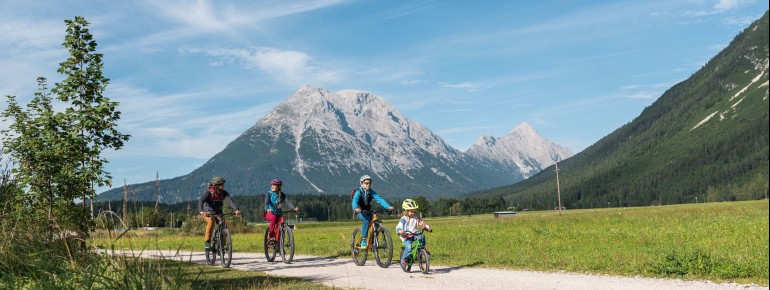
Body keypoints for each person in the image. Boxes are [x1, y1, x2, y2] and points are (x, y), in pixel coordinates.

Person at [198, 176, 241, 250]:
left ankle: (222, 245)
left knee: (223, 224)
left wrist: (236, 209)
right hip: (207, 211)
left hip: (218, 211)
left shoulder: (223, 193)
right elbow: (201, 201)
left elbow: (230, 201)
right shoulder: (208, 192)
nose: (223, 186)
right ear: (217, 186)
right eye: (222, 185)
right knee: (211, 222)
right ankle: (207, 241)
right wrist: (201, 211)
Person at [351, 175, 394, 247]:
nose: (368, 185)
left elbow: (379, 199)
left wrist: (388, 206)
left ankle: (373, 241)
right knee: (366, 221)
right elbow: (354, 201)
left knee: (376, 223)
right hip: (360, 212)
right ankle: (364, 240)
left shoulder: (371, 192)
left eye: (370, 183)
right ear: (361, 184)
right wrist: (356, 208)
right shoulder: (359, 192)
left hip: (368, 211)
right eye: (366, 183)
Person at [395, 198, 432, 269]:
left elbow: (422, 223)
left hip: (415, 234)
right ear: (406, 211)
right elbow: (398, 227)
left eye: (414, 211)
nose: (413, 213)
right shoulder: (403, 219)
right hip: (406, 236)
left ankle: (422, 249)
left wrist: (427, 227)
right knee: (409, 247)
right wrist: (400, 231)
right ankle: (404, 260)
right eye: (411, 211)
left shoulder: (416, 217)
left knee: (422, 236)